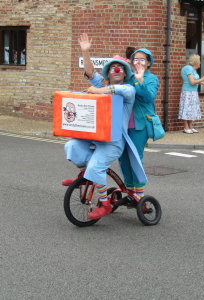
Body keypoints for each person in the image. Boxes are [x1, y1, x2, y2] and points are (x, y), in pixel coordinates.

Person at [62, 33, 146, 220]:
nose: (117, 70)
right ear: (108, 73)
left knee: (96, 166)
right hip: (94, 135)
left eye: (121, 68)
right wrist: (85, 52)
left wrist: (98, 90)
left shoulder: (128, 90)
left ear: (125, 73)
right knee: (72, 146)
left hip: (113, 141)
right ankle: (85, 177)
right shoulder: (102, 83)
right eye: (113, 68)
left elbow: (118, 89)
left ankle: (105, 203)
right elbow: (91, 73)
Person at [118, 48, 159, 203]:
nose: (139, 63)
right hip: (122, 123)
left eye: (142, 60)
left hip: (139, 125)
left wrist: (140, 80)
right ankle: (130, 192)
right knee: (123, 158)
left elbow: (149, 97)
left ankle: (139, 193)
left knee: (135, 157)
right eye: (136, 59)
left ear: (148, 63)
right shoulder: (128, 77)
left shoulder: (151, 78)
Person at [179, 54, 204, 134]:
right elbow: (192, 82)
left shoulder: (193, 70)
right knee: (186, 108)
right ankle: (186, 127)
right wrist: (202, 78)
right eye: (199, 61)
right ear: (196, 62)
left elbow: (195, 80)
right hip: (188, 92)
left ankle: (191, 127)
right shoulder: (188, 68)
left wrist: (202, 83)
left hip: (193, 92)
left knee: (191, 109)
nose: (200, 63)